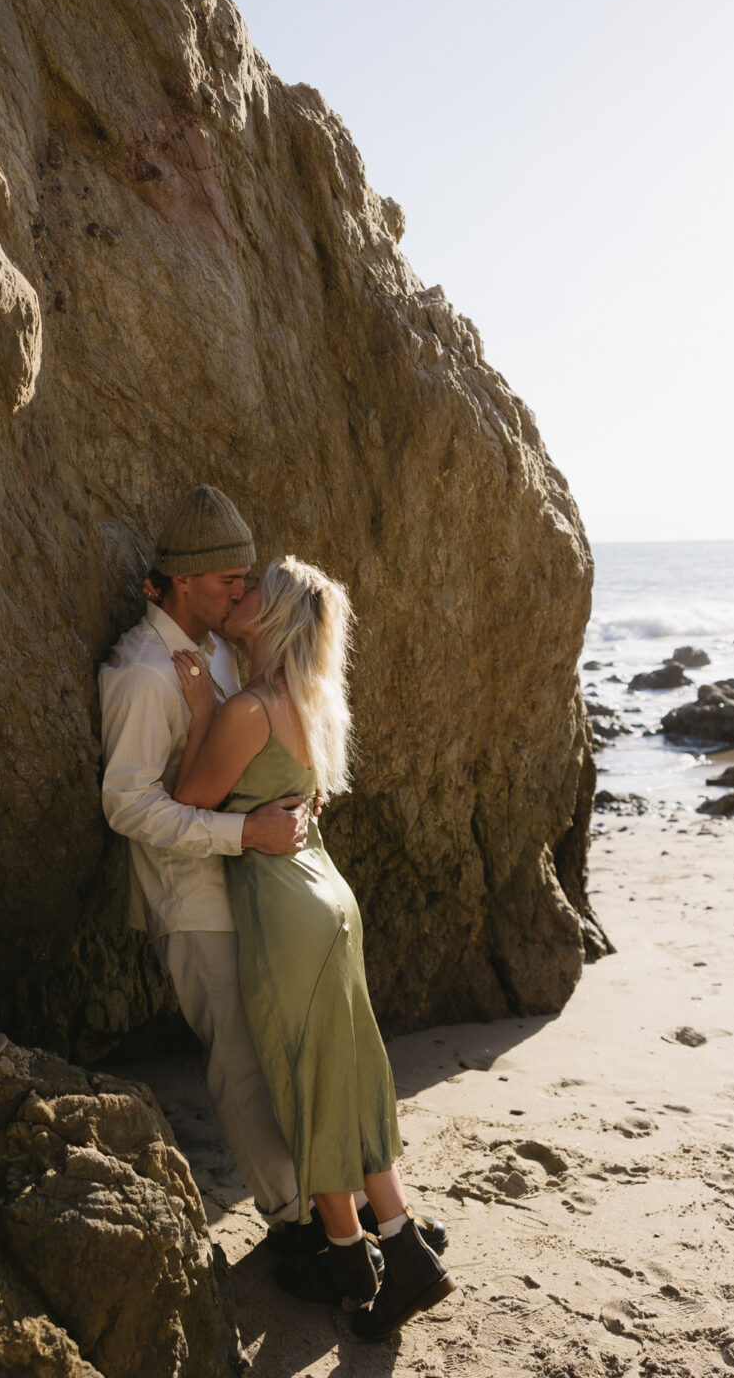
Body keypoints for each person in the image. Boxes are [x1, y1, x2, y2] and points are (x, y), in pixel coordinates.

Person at [169, 553, 457, 1340]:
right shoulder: (313, 701)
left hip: (285, 911)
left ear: (272, 616)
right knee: (344, 1078)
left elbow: (190, 799)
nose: (240, 590)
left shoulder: (248, 709)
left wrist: (201, 711)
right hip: (328, 896)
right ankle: (363, 1250)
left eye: (254, 586)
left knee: (309, 1081)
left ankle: (387, 1256)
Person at [99, 484, 306, 1229]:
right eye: (229, 581)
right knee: (241, 1063)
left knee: (280, 1048)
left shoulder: (217, 652)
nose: (243, 594)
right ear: (183, 579)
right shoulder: (141, 671)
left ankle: (325, 1203)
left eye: (247, 579)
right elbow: (126, 804)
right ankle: (293, 1225)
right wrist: (243, 835)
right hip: (189, 898)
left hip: (253, 887)